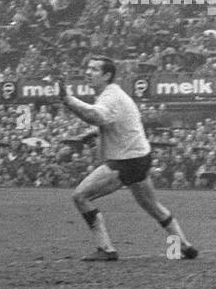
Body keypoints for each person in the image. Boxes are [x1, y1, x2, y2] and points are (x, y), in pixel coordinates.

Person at [59, 57, 197, 261]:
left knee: (80, 196)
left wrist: (68, 99)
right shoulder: (113, 94)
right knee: (152, 206)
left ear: (107, 75)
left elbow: (96, 116)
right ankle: (181, 247)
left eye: (94, 69)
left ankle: (106, 249)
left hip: (126, 161)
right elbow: (114, 122)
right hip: (139, 157)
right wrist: (93, 134)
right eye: (87, 68)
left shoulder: (110, 96)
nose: (88, 72)